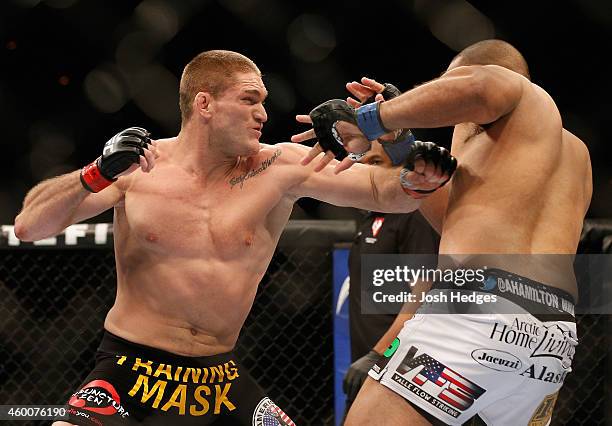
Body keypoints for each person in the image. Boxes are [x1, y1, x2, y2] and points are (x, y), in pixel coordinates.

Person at [13, 50, 456, 426]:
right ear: (204, 104)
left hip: (217, 380)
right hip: (130, 370)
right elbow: (31, 226)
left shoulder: (282, 166)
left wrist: (395, 136)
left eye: (262, 101)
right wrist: (94, 173)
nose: (263, 113)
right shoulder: (136, 169)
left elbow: (391, 194)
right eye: (249, 100)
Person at [292, 39, 592, 425]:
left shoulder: (517, 94)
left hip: (476, 312)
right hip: (551, 339)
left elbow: (478, 88)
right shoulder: (573, 154)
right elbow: (454, 224)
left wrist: (374, 117)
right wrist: (398, 143)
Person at [343, 139, 440, 415]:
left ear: (399, 168)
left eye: (375, 163)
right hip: (371, 364)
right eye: (360, 165)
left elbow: (427, 295)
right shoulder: (371, 217)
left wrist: (379, 353)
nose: (365, 172)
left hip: (399, 365)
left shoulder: (412, 214)